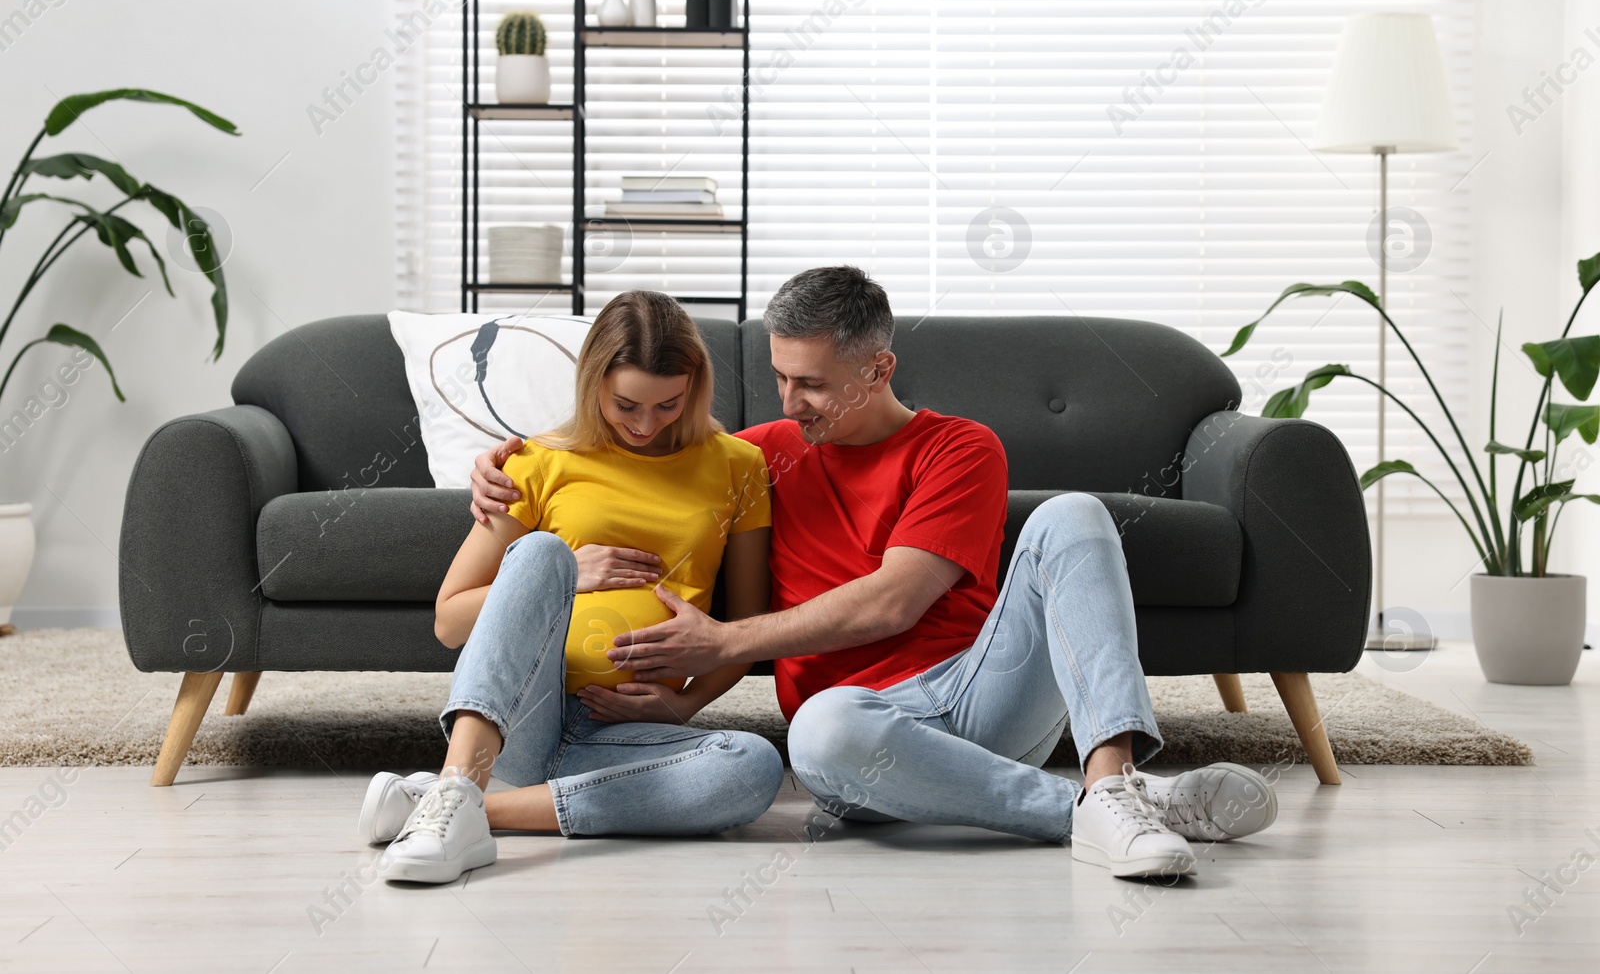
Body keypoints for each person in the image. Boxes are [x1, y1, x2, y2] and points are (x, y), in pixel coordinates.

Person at [472, 266, 1278, 880]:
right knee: (816, 728)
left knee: (1073, 514)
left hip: (977, 694)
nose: (791, 401)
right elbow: (642, 456)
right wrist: (505, 461)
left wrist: (721, 640)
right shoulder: (758, 456)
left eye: (813, 384)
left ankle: (1113, 774)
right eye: (781, 377)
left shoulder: (961, 447)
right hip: (856, 737)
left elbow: (896, 600)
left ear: (878, 369)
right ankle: (1101, 810)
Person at [361, 290, 784, 884]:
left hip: (631, 733)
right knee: (539, 551)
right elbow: (450, 620)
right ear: (593, 384)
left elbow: (744, 626)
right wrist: (571, 578)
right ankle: (458, 788)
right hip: (527, 719)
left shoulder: (739, 466)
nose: (644, 424)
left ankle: (450, 806)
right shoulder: (537, 462)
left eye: (667, 405)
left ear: (693, 388)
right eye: (626, 404)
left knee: (752, 766)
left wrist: (686, 702)